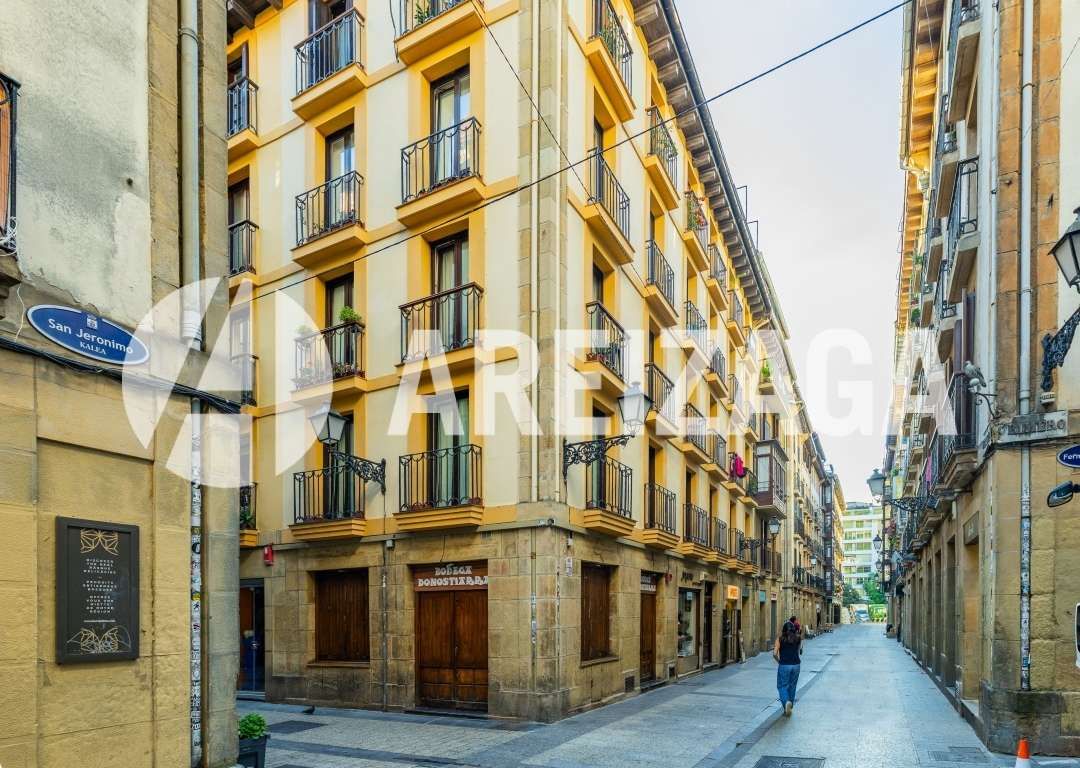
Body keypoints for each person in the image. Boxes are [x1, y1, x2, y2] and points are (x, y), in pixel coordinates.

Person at [774, 620, 802, 716]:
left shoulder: (780, 639)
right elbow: (799, 651)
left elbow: (774, 654)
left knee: (782, 686)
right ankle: (789, 706)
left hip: (784, 665)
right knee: (792, 686)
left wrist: (779, 661)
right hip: (796, 665)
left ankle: (786, 702)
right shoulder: (798, 638)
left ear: (783, 630)